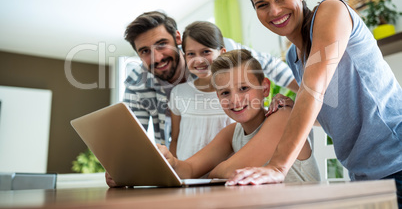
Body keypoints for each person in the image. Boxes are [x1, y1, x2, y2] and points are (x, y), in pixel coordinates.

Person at [226, 0, 402, 208]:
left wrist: (278, 166)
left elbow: (314, 89)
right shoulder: (293, 56)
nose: (274, 11)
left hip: (396, 159)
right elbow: (328, 112)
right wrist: (291, 105)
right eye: (262, 5)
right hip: (364, 174)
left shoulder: (331, 11)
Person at [106, 49, 320, 187]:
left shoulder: (282, 116)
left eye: (244, 88)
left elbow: (228, 171)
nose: (235, 100)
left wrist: (207, 172)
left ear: (265, 88)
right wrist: (154, 165)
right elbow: (188, 169)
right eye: (225, 93)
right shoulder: (231, 133)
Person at [122, 11, 299, 148]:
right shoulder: (138, 82)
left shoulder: (219, 54)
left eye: (162, 44)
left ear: (177, 38)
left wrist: (309, 95)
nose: (157, 57)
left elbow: (270, 65)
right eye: (145, 51)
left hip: (231, 146)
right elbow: (132, 137)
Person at [168, 21, 234, 160]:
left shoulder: (236, 94)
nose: (199, 61)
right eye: (191, 54)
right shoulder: (178, 93)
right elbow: (175, 138)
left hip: (225, 177)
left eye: (206, 52)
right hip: (187, 178)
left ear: (222, 52)